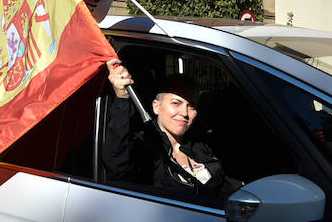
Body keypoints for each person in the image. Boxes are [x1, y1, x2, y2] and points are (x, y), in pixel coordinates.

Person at [101, 59, 239, 199]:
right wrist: (122, 99)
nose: (184, 113)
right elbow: (118, 167)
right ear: (156, 106)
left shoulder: (202, 145)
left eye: (191, 106)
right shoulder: (145, 148)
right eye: (176, 103)